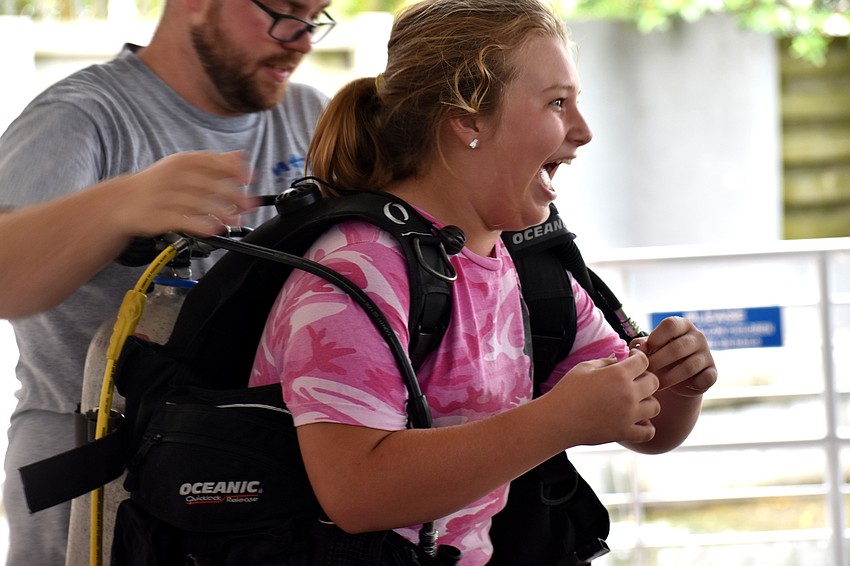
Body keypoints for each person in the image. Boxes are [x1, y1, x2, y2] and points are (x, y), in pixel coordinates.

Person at [248, 0, 718, 563]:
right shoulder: (358, 268)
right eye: (557, 103)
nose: (583, 131)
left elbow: (649, 424)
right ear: (468, 119)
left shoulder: (526, 264)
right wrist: (557, 420)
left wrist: (678, 385)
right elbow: (355, 492)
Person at [0, 0, 334, 561]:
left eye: (317, 15)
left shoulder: (312, 115)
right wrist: (119, 204)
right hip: (98, 465)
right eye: (287, 10)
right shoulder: (83, 114)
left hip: (247, 468)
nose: (302, 38)